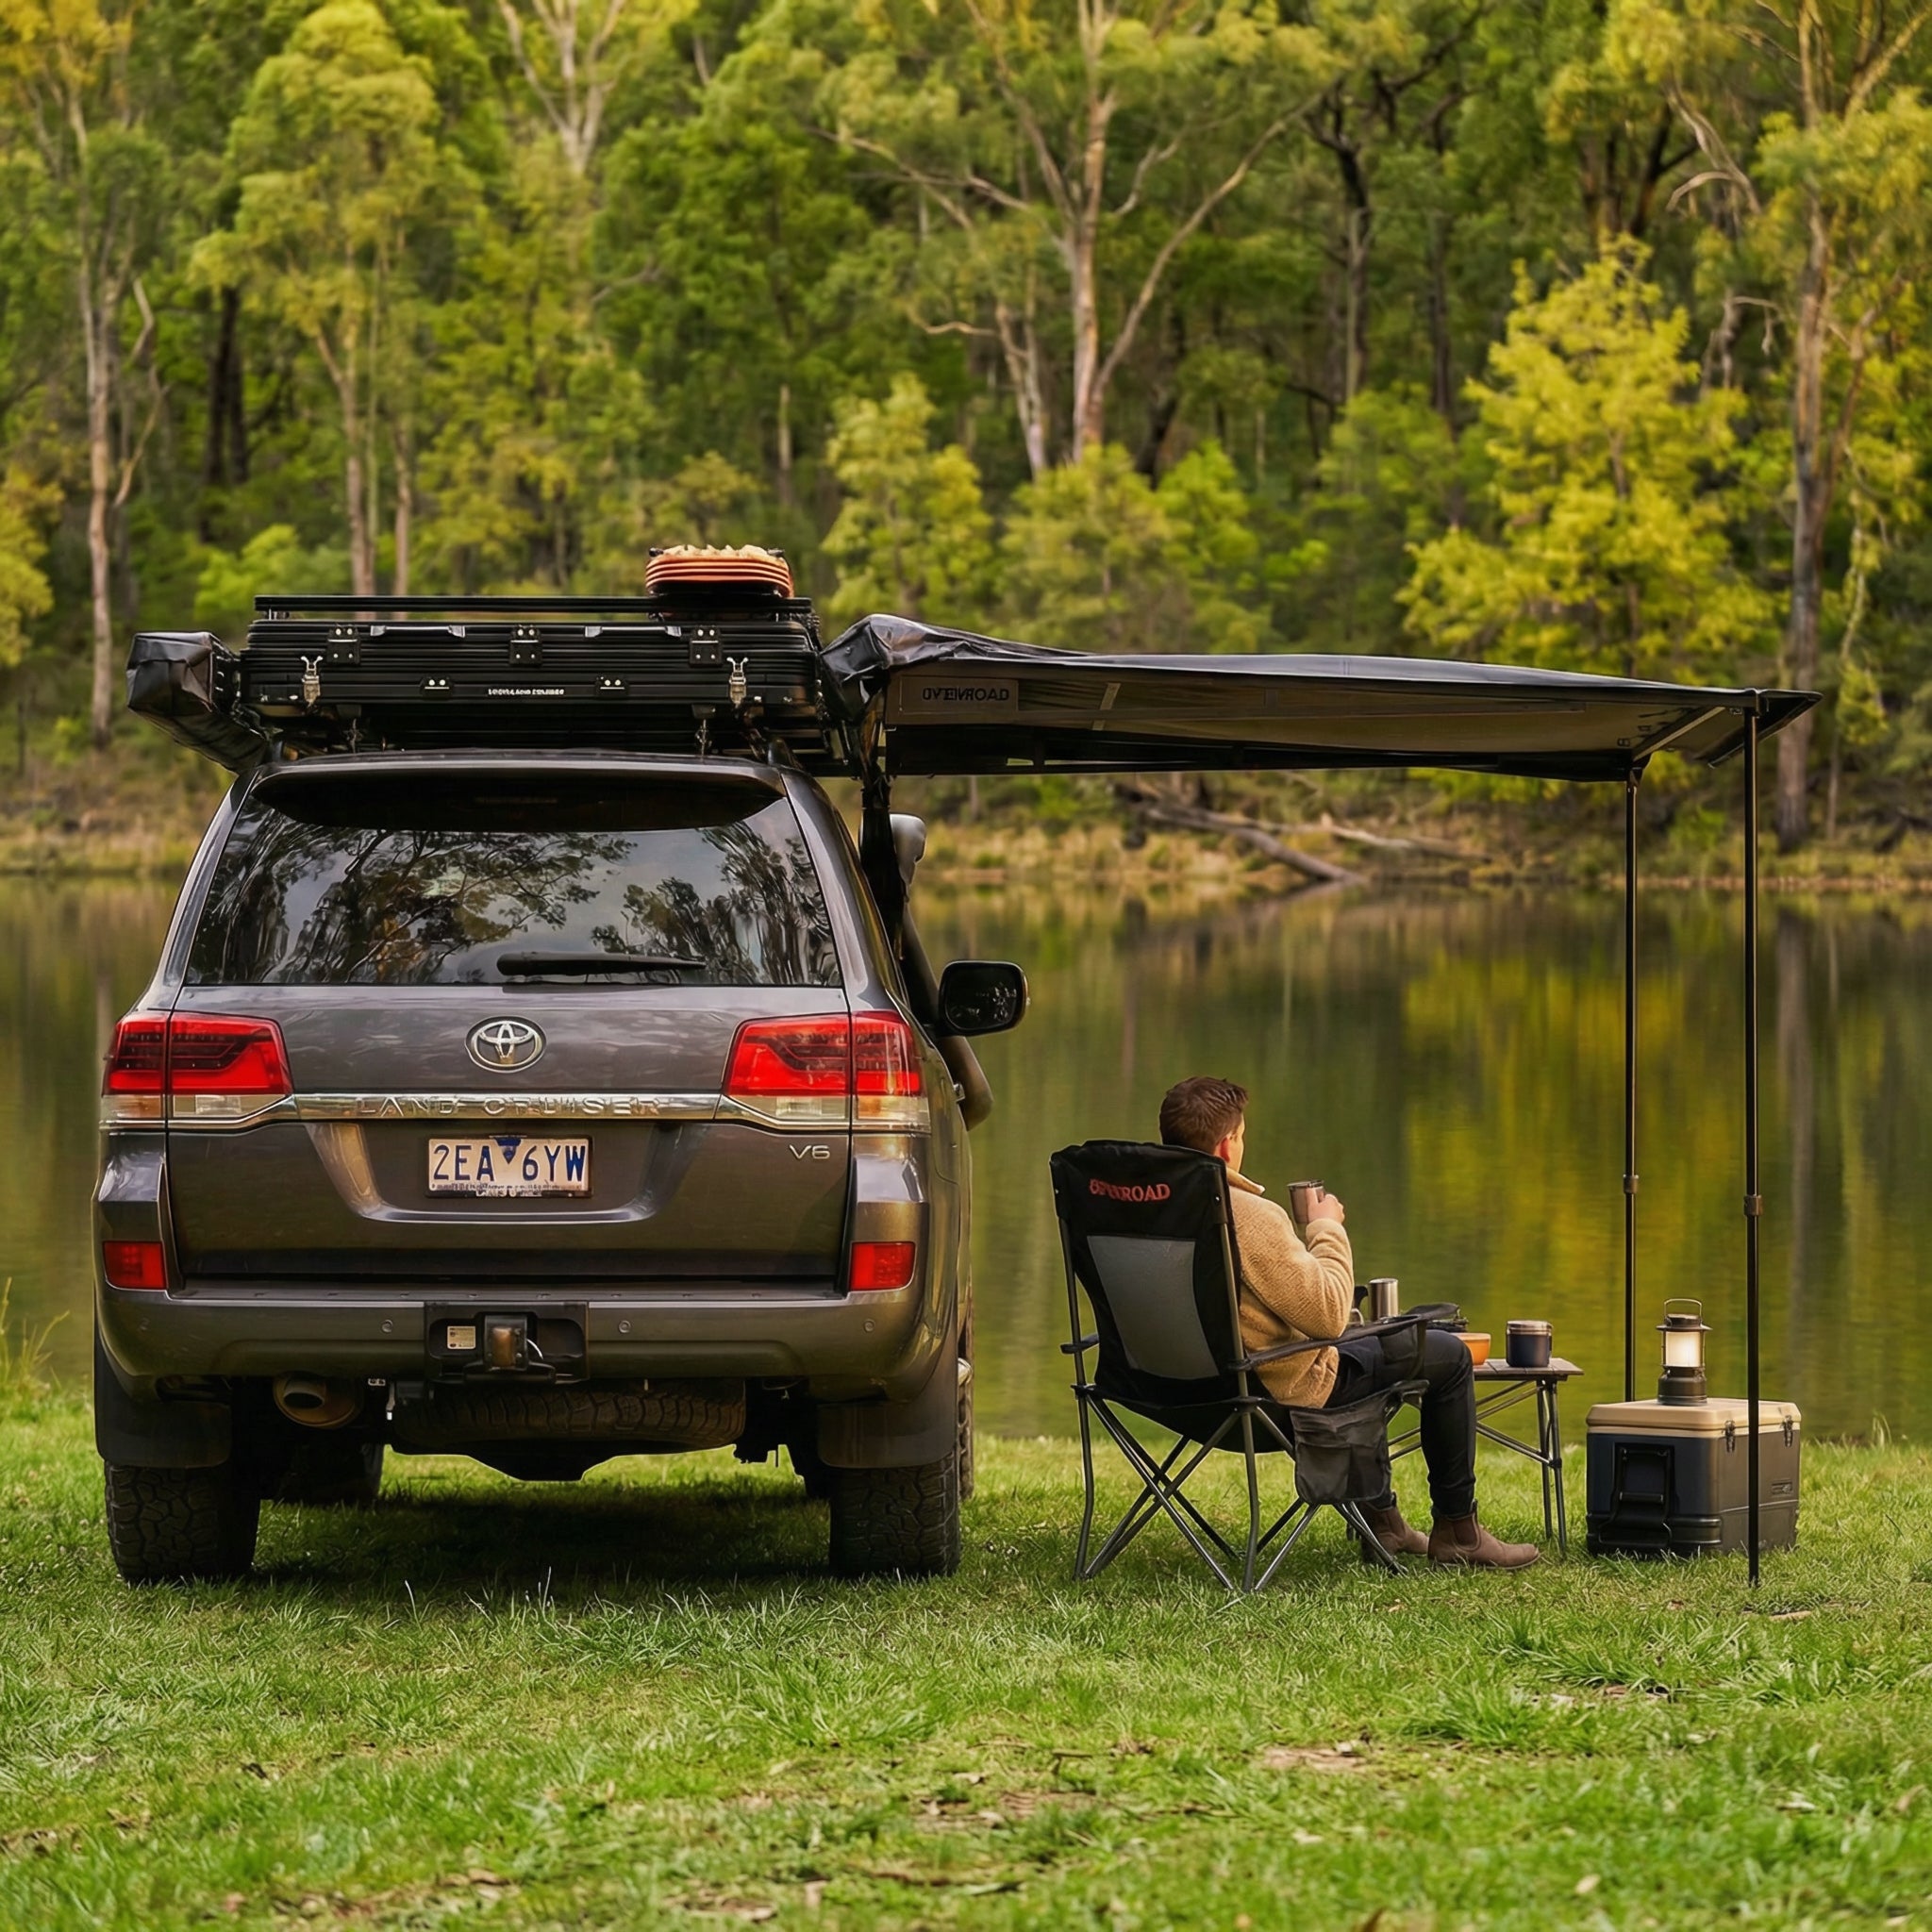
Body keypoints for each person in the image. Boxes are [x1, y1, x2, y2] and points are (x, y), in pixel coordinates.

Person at [1157, 1074, 1539, 1570]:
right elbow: (1332, 1315)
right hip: (1270, 1398)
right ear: (1227, 1147)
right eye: (1243, 1136)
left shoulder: (1151, 1209)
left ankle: (1383, 1524)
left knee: (1372, 1346)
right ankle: (1459, 1530)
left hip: (1171, 1394)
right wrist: (1326, 1228)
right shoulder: (1245, 1215)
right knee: (1446, 1355)